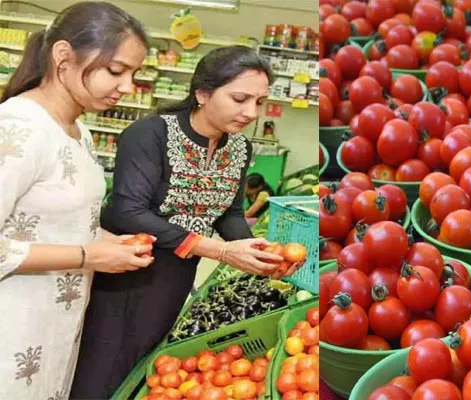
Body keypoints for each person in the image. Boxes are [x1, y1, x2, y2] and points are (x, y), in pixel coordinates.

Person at [70, 45, 300, 399]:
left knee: (143, 363)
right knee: (101, 365)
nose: (250, 112)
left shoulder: (239, 148)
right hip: (124, 271)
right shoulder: (149, 135)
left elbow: (229, 211)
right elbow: (127, 211)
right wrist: (218, 250)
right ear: (203, 93)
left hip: (176, 276)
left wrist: (256, 250)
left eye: (259, 101)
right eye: (240, 98)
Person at [0, 2, 155, 399]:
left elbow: (59, 218)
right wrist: (88, 257)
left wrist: (105, 240)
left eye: (134, 74)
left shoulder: (77, 131)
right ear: (64, 57)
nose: (126, 86)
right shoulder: (18, 129)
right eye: (116, 71)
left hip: (53, 325)